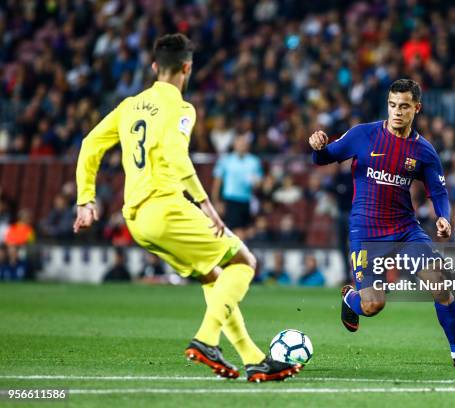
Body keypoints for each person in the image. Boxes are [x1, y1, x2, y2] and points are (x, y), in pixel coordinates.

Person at [73, 33, 300, 382]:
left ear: (153, 67)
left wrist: (85, 199)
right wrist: (206, 205)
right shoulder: (181, 108)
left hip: (136, 218)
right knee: (244, 261)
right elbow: (176, 156)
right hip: (166, 207)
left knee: (213, 275)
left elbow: (90, 145)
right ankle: (206, 340)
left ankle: (253, 359)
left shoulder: (129, 105)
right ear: (187, 68)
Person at [309, 78, 455, 368]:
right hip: (365, 232)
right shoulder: (363, 135)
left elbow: (438, 191)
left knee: (439, 284)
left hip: (405, 230)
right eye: (392, 105)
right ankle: (351, 297)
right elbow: (325, 157)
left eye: (404, 106)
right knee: (373, 305)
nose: (397, 111)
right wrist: (318, 146)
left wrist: (443, 217)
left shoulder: (424, 151)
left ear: (417, 108)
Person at [212, 135, 263, 236]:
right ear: (234, 144)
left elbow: (259, 183)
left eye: (244, 143)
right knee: (236, 231)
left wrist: (256, 183)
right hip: (231, 200)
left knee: (248, 231)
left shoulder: (254, 161)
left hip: (247, 200)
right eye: (239, 142)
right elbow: (217, 182)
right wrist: (216, 201)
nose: (242, 145)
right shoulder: (226, 160)